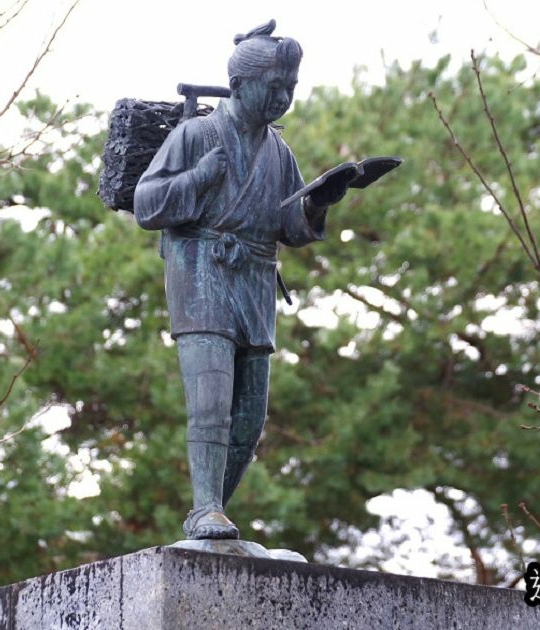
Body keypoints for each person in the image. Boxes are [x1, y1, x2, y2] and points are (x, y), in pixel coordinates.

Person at [133, 20, 348, 540]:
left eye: (290, 89)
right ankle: (205, 507)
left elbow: (289, 225)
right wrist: (200, 177)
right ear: (239, 84)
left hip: (254, 279)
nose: (282, 98)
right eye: (274, 87)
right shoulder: (196, 135)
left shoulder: (278, 150)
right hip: (202, 268)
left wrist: (318, 201)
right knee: (210, 403)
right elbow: (146, 204)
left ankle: (213, 511)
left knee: (250, 418)